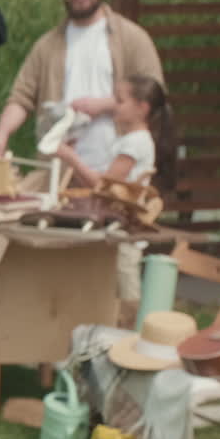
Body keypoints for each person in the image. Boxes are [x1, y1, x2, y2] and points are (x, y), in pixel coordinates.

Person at [0, 0, 164, 174]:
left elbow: (155, 95)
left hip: (116, 173)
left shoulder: (132, 37)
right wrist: (0, 135)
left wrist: (103, 105)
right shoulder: (47, 45)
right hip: (57, 171)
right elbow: (21, 98)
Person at [55, 74, 175, 324]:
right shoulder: (133, 140)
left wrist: (71, 158)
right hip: (118, 228)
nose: (113, 106)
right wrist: (74, 157)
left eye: (120, 101)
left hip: (124, 229)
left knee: (124, 295)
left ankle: (125, 337)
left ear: (142, 109)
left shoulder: (135, 143)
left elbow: (105, 187)